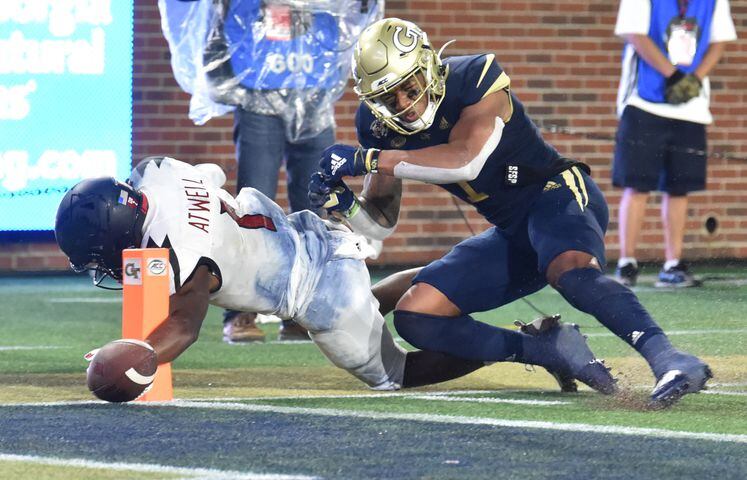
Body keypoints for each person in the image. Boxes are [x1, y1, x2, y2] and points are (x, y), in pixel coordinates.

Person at [310, 18, 710, 407]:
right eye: (386, 97)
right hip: (512, 231)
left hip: (556, 195)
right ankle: (545, 349)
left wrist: (368, 160)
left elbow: (465, 160)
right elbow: (380, 222)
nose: (402, 104)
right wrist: (345, 204)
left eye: (408, 86)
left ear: (428, 66)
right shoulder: (378, 128)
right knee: (417, 315)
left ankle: (668, 358)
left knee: (569, 271)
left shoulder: (475, 76)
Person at [54, 156, 615, 395]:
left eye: (102, 254)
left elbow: (183, 323)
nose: (106, 266)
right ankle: (445, 279)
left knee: (394, 374)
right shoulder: (158, 174)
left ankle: (534, 348)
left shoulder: (185, 253)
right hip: (314, 235)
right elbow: (211, 176)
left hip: (317, 297)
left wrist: (137, 353)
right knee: (376, 300)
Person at [158, 0, 383, 342]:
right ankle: (241, 314)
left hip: (314, 88)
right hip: (257, 88)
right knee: (251, 208)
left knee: (318, 209)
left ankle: (304, 311)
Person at [612, 0, 737, 288]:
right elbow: (635, 35)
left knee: (679, 187)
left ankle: (672, 264)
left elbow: (718, 42)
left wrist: (694, 79)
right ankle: (626, 262)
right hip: (644, 103)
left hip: (690, 108)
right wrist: (673, 74)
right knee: (637, 183)